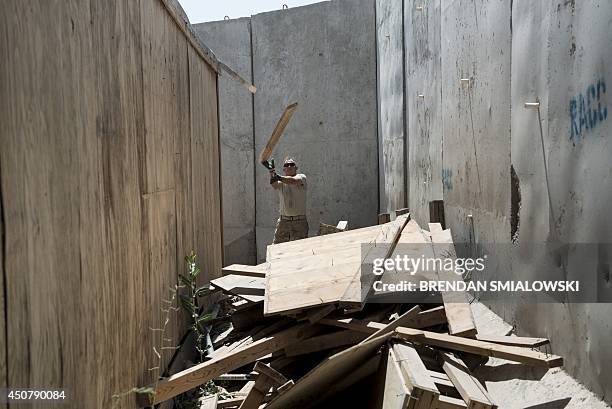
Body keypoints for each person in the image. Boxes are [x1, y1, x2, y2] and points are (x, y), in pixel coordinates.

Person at [269, 157, 308, 244]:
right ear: (284, 169)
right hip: (284, 221)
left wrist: (277, 176)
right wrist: (271, 172)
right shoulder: (281, 182)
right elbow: (274, 185)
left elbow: (293, 181)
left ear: (296, 168)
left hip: (299, 222)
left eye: (292, 164)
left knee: (300, 249)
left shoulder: (301, 177)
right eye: (287, 165)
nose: (289, 166)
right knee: (277, 248)